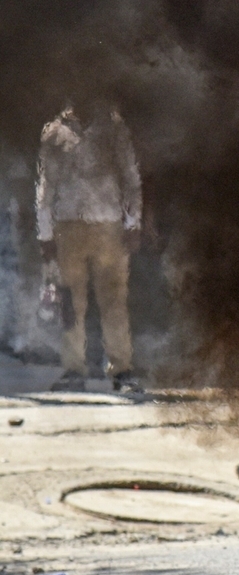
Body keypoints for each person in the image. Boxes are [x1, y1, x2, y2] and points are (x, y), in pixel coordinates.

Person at [37, 101, 142, 393]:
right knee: (71, 304)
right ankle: (74, 370)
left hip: (109, 226)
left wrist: (133, 223)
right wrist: (45, 233)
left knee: (114, 302)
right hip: (68, 226)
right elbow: (46, 185)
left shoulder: (114, 129)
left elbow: (130, 177)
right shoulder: (55, 131)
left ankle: (122, 370)